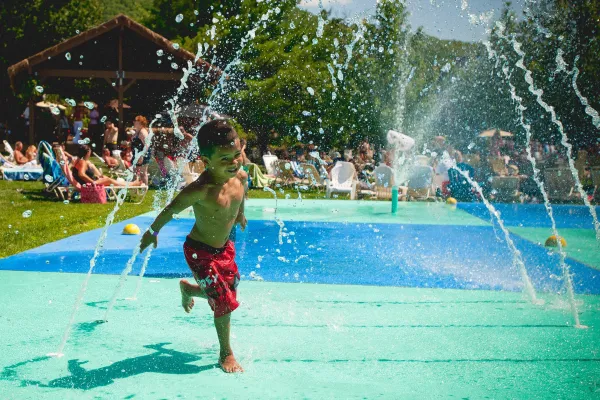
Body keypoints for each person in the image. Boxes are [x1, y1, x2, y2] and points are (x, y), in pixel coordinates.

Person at [139, 120, 247, 373]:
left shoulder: (239, 175)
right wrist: (152, 232)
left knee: (231, 287)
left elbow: (242, 192)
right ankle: (226, 353)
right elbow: (170, 210)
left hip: (224, 248)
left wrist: (241, 213)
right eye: (225, 159)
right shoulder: (200, 190)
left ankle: (189, 289)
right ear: (205, 160)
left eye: (237, 155)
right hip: (200, 251)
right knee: (223, 301)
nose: (234, 163)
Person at [72, 145, 142, 187]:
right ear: (87, 153)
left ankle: (132, 183)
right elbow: (81, 174)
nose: (90, 155)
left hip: (86, 183)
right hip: (90, 184)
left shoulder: (77, 161)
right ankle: (133, 184)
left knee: (107, 178)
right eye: (89, 153)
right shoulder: (83, 162)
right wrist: (93, 182)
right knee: (110, 180)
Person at [131, 115, 151, 186]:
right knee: (135, 172)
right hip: (137, 154)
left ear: (140, 123)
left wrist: (142, 155)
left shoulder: (143, 132)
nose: (133, 122)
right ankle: (135, 189)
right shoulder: (137, 131)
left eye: (135, 121)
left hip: (142, 154)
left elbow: (147, 145)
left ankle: (145, 188)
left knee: (143, 172)